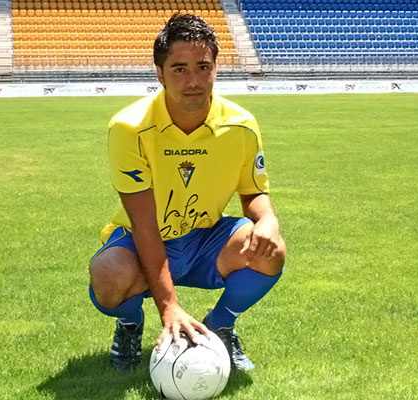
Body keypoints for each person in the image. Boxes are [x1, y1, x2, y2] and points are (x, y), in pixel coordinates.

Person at [88, 13, 286, 372]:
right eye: (179, 68)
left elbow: (253, 192)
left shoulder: (241, 125)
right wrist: (169, 306)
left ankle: (220, 326)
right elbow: (145, 224)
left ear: (215, 67)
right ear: (159, 73)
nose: (193, 80)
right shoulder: (128, 128)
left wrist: (268, 219)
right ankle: (130, 324)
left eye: (202, 66)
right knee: (107, 274)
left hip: (205, 238)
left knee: (270, 250)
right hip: (141, 237)